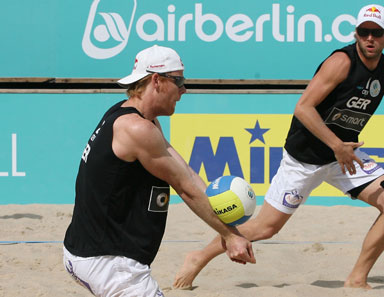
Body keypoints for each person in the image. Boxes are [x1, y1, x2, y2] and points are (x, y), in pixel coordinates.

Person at [173, 4, 384, 290]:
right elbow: (303, 107)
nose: (369, 38)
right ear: (356, 33)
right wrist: (337, 145)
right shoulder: (341, 62)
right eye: (364, 32)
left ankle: (357, 279)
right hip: (305, 158)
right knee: (265, 228)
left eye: (376, 33)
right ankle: (198, 257)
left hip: (343, 156)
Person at [63, 45, 255, 296]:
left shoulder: (137, 116)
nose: (184, 90)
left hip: (91, 251)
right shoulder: (137, 129)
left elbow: (185, 172)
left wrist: (226, 227)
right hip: (110, 263)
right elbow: (185, 188)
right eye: (179, 81)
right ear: (157, 80)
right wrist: (230, 236)